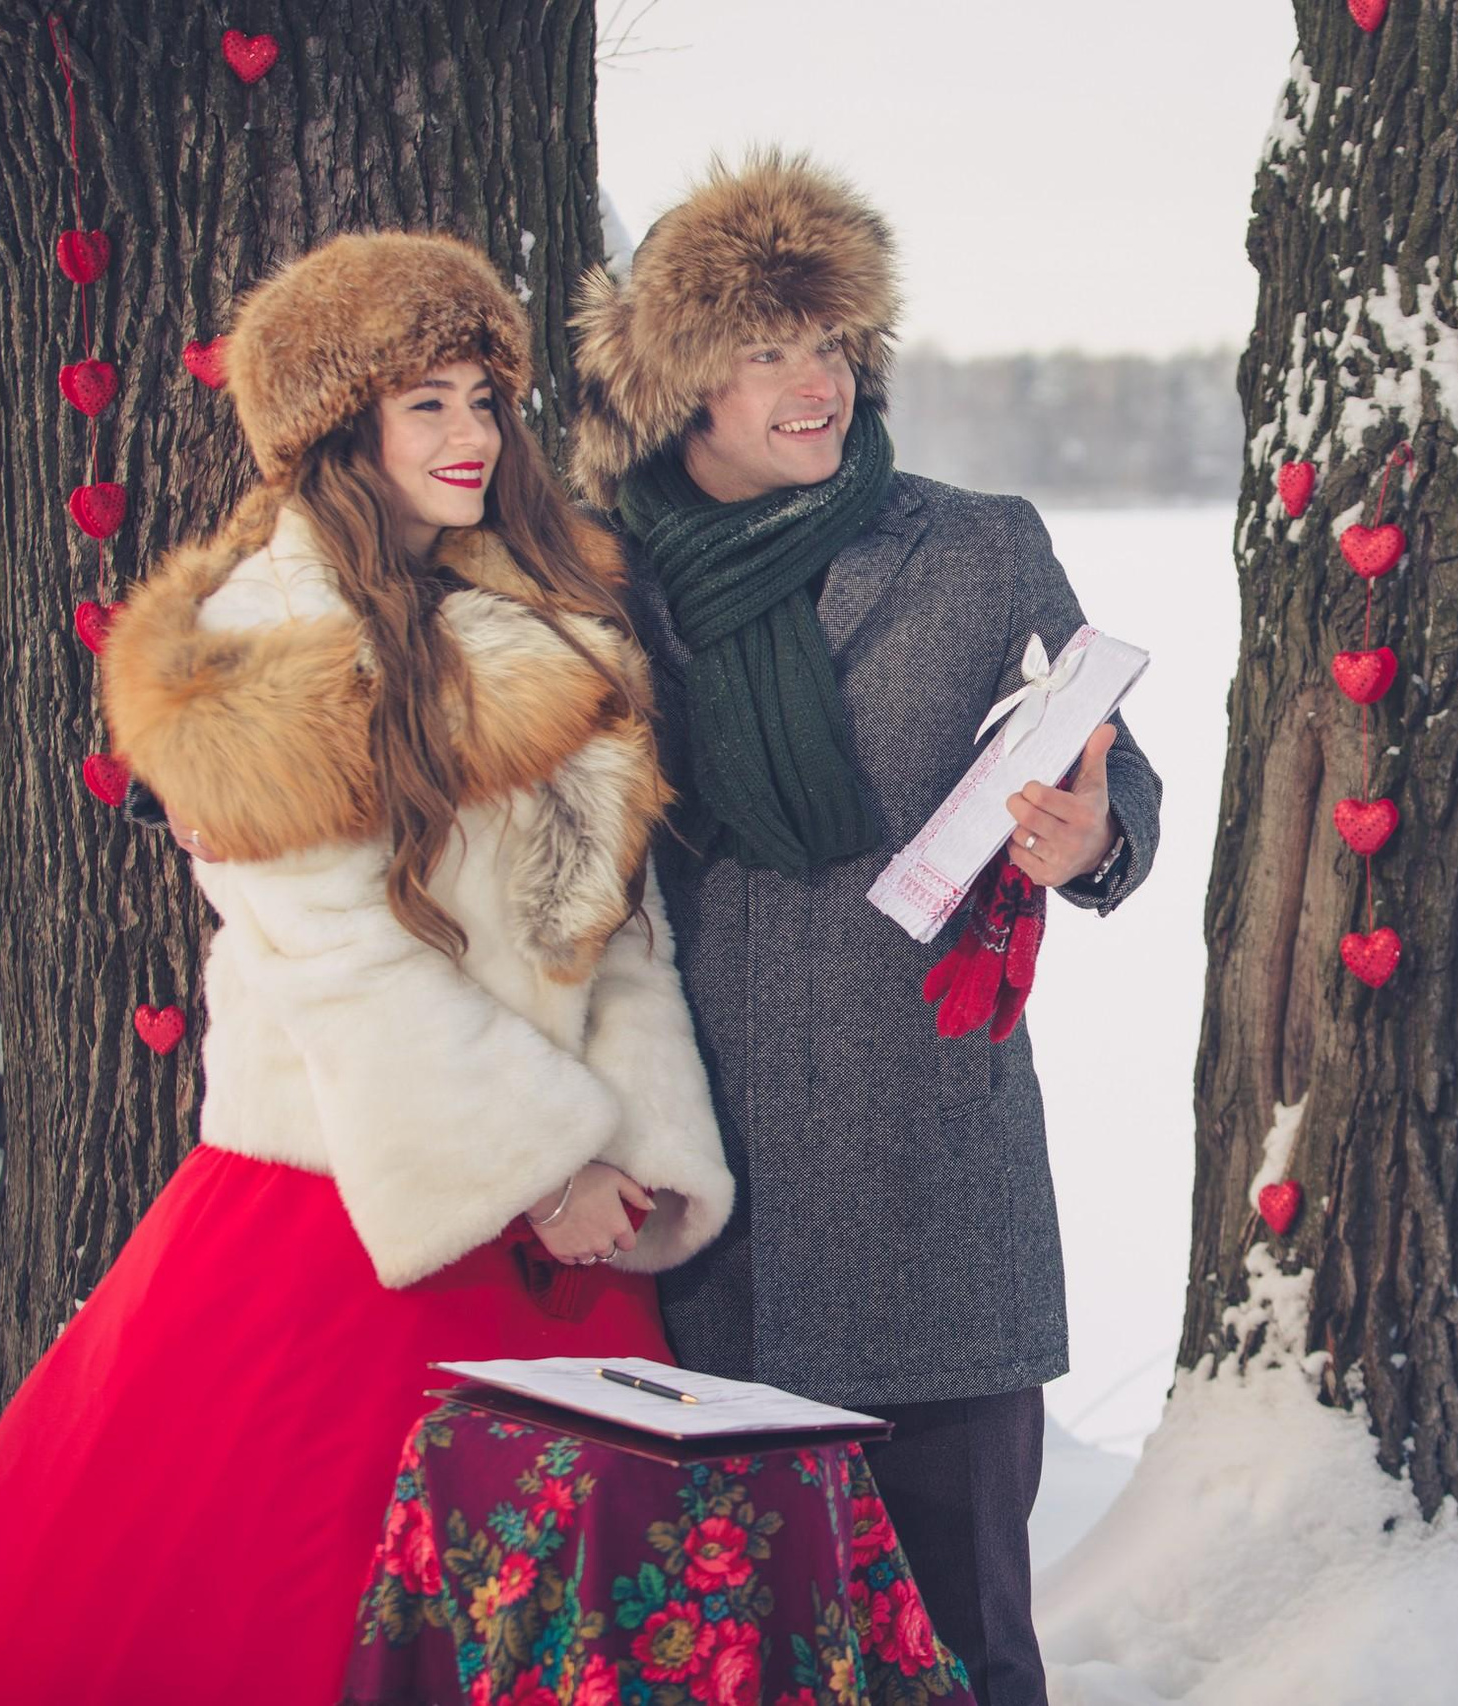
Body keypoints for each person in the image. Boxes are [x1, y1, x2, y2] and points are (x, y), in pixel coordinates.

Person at [0, 232, 734, 1705]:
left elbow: (614, 921)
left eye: (485, 398)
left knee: (558, 1632)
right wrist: (546, 1167)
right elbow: (342, 957)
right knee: (291, 1609)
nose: (472, 435)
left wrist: (641, 1150)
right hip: (353, 1204)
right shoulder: (259, 647)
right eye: (426, 403)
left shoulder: (546, 613)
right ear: (340, 428)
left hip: (565, 1233)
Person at [565, 152, 1163, 1706]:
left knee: (961, 1648)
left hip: (929, 1179)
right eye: (769, 350)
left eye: (833, 342)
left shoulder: (975, 545)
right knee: (731, 1650)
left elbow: (1116, 770)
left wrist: (1094, 835)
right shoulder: (602, 581)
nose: (816, 382)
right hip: (711, 1206)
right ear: (685, 380)